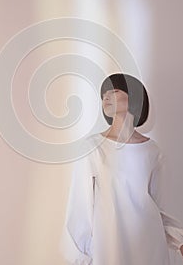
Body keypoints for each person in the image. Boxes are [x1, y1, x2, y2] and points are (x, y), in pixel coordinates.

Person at [60, 73, 183, 265]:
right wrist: (85, 256)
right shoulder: (93, 147)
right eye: (103, 95)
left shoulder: (153, 151)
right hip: (110, 247)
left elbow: (162, 208)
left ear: (133, 95)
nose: (106, 98)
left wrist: (179, 241)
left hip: (150, 246)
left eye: (114, 91)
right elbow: (79, 207)